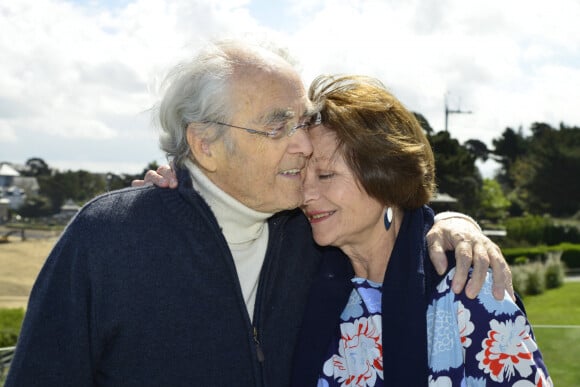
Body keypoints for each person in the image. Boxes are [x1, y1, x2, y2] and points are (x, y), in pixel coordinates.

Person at [7, 40, 510, 387]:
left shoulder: (310, 232)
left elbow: (383, 215)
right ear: (205, 144)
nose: (302, 143)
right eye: (277, 126)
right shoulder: (107, 241)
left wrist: (454, 223)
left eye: (302, 119)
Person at [288, 75, 551, 386]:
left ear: (385, 177)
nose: (306, 194)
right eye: (301, 175)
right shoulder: (308, 284)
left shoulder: (468, 290)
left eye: (326, 174)